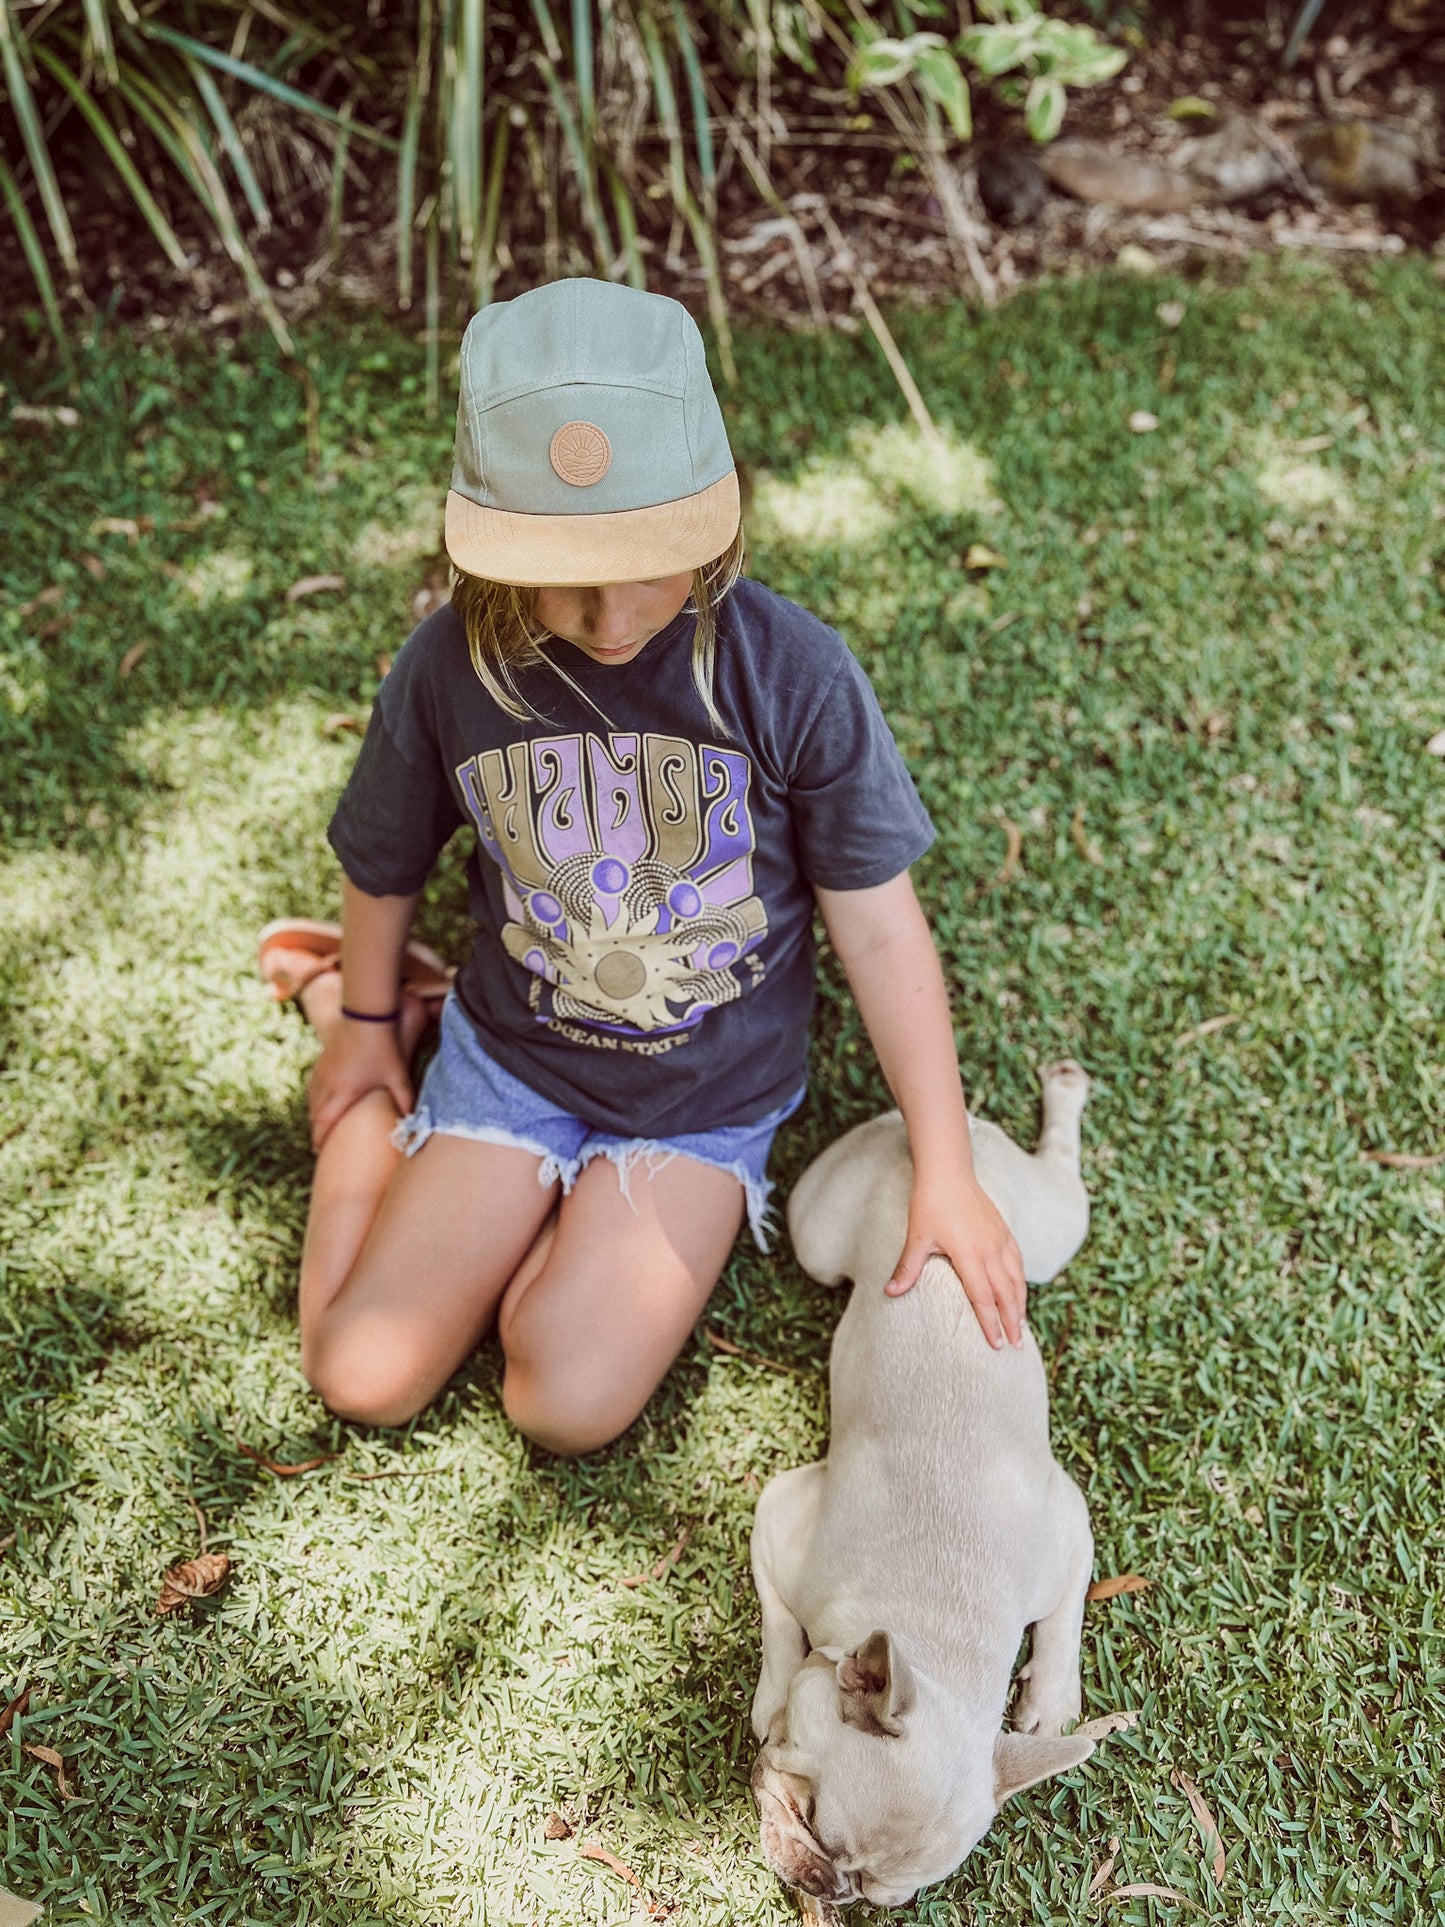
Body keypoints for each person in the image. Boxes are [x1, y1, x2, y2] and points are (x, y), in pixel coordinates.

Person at [258, 277, 1026, 1457]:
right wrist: (362, 1024)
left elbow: (876, 925)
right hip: (512, 1059)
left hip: (697, 1099)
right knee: (360, 1373)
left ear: (713, 516)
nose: (611, 613)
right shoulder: (449, 668)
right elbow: (381, 852)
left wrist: (945, 1162)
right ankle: (373, 1020)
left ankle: (529, 1209)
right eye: (563, 569)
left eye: (647, 557)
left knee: (560, 1403)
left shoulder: (793, 675)